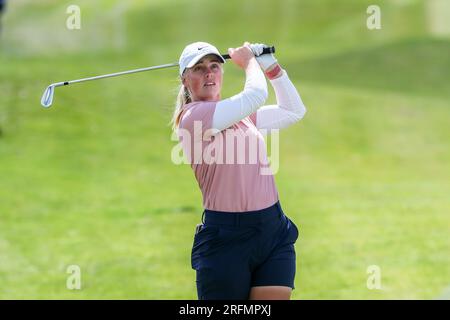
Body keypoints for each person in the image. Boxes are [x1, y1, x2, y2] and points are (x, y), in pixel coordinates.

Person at [171, 41, 307, 300]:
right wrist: (249, 62)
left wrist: (269, 64)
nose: (209, 73)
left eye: (214, 66)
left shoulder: (241, 117)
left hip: (272, 231)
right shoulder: (191, 118)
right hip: (226, 239)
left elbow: (293, 110)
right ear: (185, 80)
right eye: (198, 69)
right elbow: (255, 96)